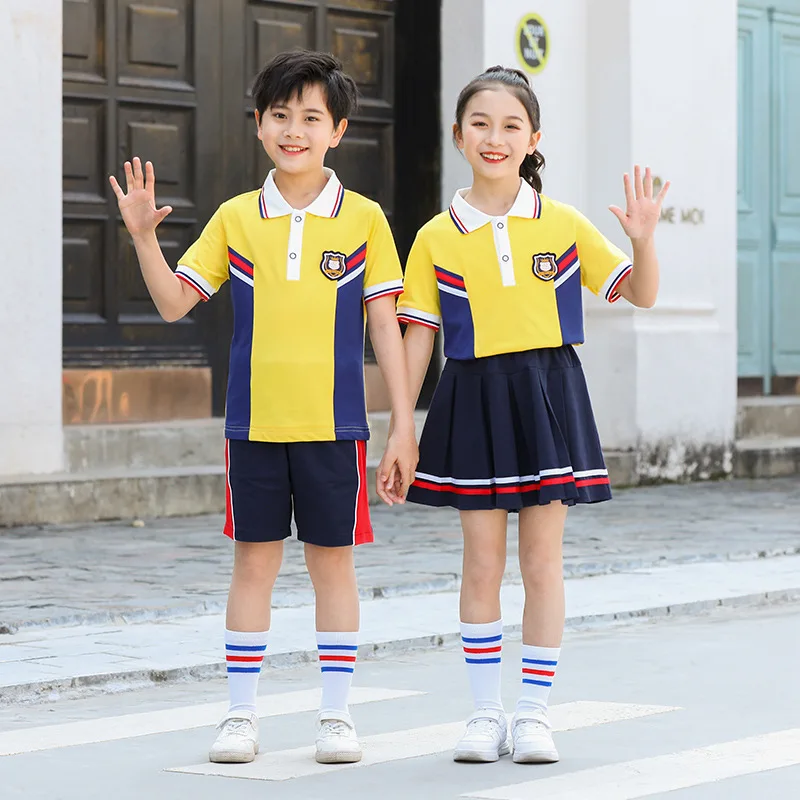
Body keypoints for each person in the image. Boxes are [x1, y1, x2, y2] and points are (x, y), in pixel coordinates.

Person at [109, 50, 418, 766]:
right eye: (280, 115)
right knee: (253, 565)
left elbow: (384, 326)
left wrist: (403, 422)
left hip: (336, 427)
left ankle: (336, 717)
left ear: (337, 130)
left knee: (332, 567)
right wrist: (144, 238)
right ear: (258, 124)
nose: (294, 129)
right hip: (251, 425)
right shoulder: (236, 219)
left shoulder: (366, 220)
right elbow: (173, 301)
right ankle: (240, 715)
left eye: (312, 117)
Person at [397, 65, 669, 765]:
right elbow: (419, 339)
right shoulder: (434, 235)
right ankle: (485, 714)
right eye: (480, 124)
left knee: (543, 563)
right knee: (481, 563)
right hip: (471, 395)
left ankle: (535, 714)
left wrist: (643, 238)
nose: (495, 137)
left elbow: (638, 292)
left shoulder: (565, 223)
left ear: (534, 138)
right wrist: (402, 428)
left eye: (511, 125)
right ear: (458, 136)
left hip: (548, 391)